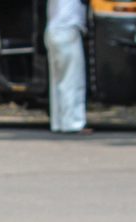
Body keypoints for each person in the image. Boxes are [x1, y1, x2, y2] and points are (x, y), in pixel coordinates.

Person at [45, 0, 91, 134]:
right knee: (72, 80)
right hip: (67, 29)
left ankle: (58, 122)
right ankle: (73, 123)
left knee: (57, 80)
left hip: (53, 29)